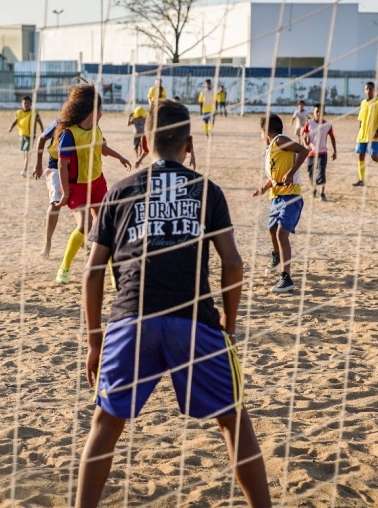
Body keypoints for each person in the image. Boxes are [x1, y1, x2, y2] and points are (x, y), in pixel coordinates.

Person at [77, 99, 272, 508]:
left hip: (131, 321)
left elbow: (93, 273)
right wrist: (229, 326)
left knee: (106, 424)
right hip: (194, 321)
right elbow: (233, 264)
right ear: (187, 144)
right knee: (233, 421)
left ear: (144, 141)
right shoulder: (206, 190)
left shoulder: (120, 191)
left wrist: (95, 341)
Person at [55, 84, 132, 283]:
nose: (102, 113)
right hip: (77, 188)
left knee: (105, 226)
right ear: (92, 109)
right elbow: (62, 165)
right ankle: (64, 268)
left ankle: (114, 275)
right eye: (101, 109)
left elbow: (101, 147)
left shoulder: (96, 128)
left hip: (98, 184)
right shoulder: (69, 134)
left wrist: (119, 157)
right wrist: (64, 193)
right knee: (85, 224)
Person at [253, 114, 309, 293]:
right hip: (276, 197)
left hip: (290, 196)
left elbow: (304, 150)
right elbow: (274, 177)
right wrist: (263, 188)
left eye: (261, 132)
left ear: (266, 131)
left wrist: (292, 173)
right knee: (272, 230)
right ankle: (277, 256)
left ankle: (286, 278)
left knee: (281, 233)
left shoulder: (279, 141)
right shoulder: (271, 148)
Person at [32, 117, 63, 258]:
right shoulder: (59, 122)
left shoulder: (87, 121)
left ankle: (80, 238)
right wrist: (38, 164)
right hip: (55, 168)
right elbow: (42, 138)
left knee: (81, 206)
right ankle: (47, 244)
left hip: (75, 169)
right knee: (56, 202)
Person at [301, 103, 337, 201]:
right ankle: (314, 189)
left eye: (321, 112)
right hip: (311, 153)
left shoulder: (328, 125)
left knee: (322, 173)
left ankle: (322, 193)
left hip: (322, 153)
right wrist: (306, 145)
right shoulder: (309, 123)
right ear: (313, 113)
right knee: (311, 173)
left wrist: (335, 151)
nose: (318, 114)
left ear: (324, 113)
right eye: (317, 112)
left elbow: (332, 137)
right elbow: (303, 134)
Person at [9, 95, 44, 178]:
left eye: (28, 103)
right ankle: (26, 166)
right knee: (25, 152)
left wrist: (43, 130)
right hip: (22, 135)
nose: (26, 105)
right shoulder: (19, 113)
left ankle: (24, 169)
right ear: (22, 104)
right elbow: (15, 121)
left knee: (27, 152)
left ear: (31, 104)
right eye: (25, 103)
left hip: (31, 136)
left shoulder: (34, 113)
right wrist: (11, 128)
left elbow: (39, 122)